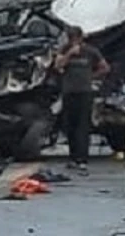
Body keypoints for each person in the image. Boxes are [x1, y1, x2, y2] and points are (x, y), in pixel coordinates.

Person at [53, 27, 110, 171]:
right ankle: (73, 158)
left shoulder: (90, 51)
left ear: (80, 38)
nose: (73, 41)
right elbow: (58, 66)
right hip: (69, 92)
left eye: (75, 38)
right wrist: (69, 54)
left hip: (84, 92)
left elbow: (105, 67)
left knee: (83, 126)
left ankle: (82, 159)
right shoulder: (63, 50)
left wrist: (92, 77)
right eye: (70, 38)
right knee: (70, 126)